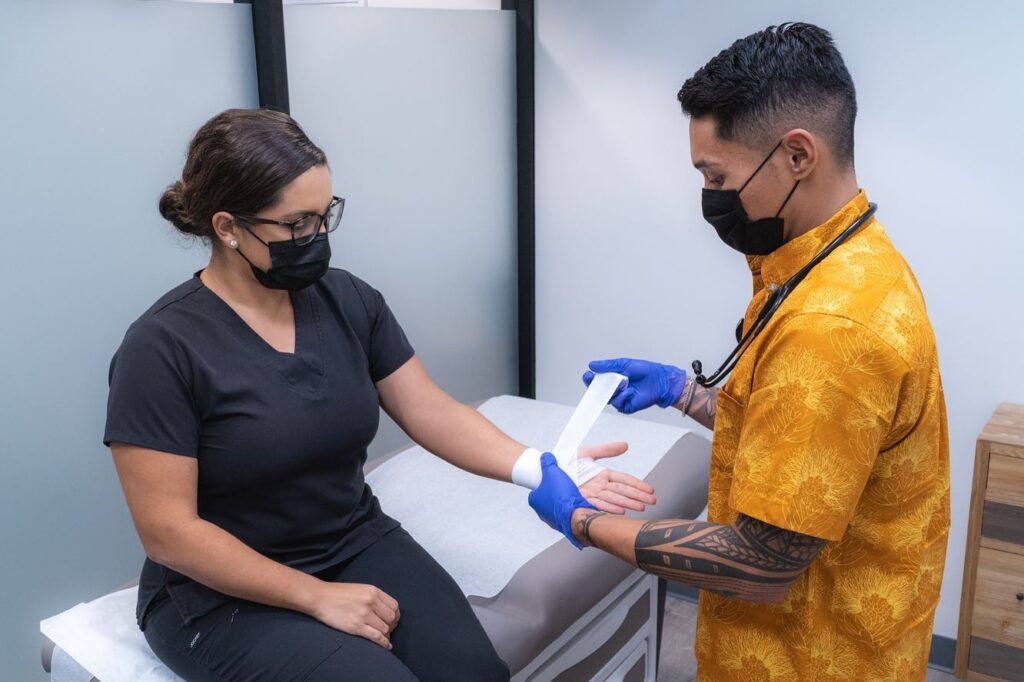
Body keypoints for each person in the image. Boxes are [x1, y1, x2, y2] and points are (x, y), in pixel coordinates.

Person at [104, 108, 657, 681]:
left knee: (475, 672)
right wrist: (315, 596)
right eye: (296, 225)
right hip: (218, 593)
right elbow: (169, 532)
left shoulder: (347, 300)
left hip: (350, 538)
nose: (315, 238)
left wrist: (539, 467)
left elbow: (429, 407)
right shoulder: (161, 348)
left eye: (324, 217)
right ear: (227, 227)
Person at [528, 22, 949, 681]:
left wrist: (581, 521)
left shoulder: (833, 324)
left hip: (807, 658)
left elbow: (760, 565)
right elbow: (797, 441)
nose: (711, 196)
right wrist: (681, 391)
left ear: (798, 156)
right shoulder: (846, 262)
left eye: (716, 174)